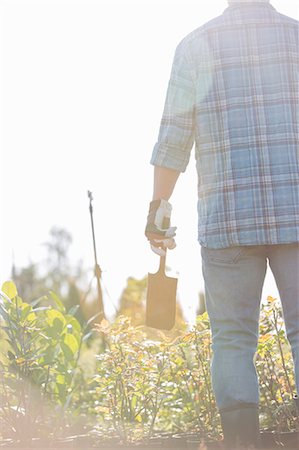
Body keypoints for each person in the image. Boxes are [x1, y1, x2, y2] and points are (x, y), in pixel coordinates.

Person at [145, 0, 299, 448]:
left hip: (228, 218)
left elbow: (173, 137)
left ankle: (243, 443)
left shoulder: (196, 46)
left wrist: (157, 209)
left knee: (232, 339)